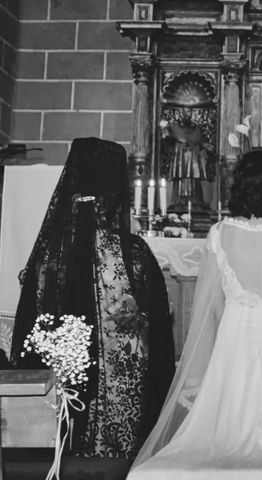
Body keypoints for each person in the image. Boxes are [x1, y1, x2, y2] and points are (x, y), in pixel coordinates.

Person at [127, 150, 262, 480]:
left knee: (229, 419)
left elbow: (212, 304)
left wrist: (232, 326)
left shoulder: (219, 233)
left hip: (234, 336)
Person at [10, 137, 175, 459]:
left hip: (62, 382)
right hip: (119, 397)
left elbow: (32, 317)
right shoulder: (132, 254)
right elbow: (156, 322)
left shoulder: (48, 254)